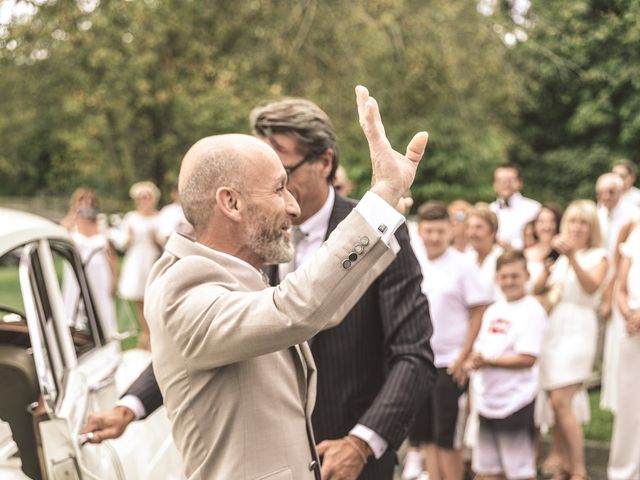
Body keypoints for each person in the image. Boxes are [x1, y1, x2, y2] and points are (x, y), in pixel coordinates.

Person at [84, 94, 435, 480]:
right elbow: (295, 310)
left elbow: (406, 350)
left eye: (287, 180)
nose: (293, 208)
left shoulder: (246, 260)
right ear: (231, 203)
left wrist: (361, 441)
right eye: (276, 188)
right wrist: (383, 195)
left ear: (325, 162)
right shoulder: (183, 287)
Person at [403, 202, 489, 480]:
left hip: (449, 363)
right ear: (421, 231)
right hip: (419, 362)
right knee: (425, 436)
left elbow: (479, 311)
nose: (434, 237)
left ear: (451, 231)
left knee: (447, 438)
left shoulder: (462, 265)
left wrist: (464, 356)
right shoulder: (413, 260)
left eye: (440, 231)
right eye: (429, 231)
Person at [534, 199, 608, 480]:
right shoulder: (560, 257)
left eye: (583, 222)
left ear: (592, 227)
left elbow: (591, 287)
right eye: (573, 221)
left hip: (579, 329)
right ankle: (563, 460)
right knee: (555, 400)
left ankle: (579, 468)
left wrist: (574, 257)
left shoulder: (598, 255)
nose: (576, 227)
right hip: (554, 329)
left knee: (561, 400)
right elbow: (542, 290)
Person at [464, 250, 547, 480]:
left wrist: (489, 362)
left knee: (519, 472)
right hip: (488, 400)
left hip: (516, 402)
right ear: (497, 278)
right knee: (487, 471)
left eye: (515, 276)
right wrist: (474, 360)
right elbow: (481, 348)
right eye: (504, 276)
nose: (509, 281)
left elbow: (528, 358)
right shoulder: (493, 310)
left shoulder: (532, 311)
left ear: (526, 276)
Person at [596, 172, 640, 413]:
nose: (605, 197)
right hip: (616, 288)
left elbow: (618, 258)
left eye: (610, 192)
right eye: (601, 193)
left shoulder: (633, 217)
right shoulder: (599, 214)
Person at [61, 188, 118, 337]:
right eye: (83, 199)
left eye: (91, 200)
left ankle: (106, 337)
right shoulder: (70, 226)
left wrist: (114, 281)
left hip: (100, 275)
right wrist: (74, 215)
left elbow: (111, 256)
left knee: (102, 309)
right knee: (75, 309)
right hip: (76, 276)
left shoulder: (102, 225)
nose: (87, 203)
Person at [608, 221, 640, 479]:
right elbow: (621, 286)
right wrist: (629, 314)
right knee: (630, 407)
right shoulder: (636, 231)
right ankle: (624, 472)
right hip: (632, 330)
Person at [117, 180, 162, 350]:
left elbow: (164, 242)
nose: (145, 201)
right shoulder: (131, 217)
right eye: (142, 197)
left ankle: (150, 335)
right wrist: (128, 237)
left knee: (152, 298)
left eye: (147, 197)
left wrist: (155, 240)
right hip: (136, 260)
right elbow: (122, 243)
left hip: (153, 259)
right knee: (139, 299)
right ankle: (146, 334)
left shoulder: (159, 217)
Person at [489, 164, 541, 250]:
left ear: (520, 182)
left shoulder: (534, 208)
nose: (505, 184)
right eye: (500, 180)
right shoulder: (490, 210)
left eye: (510, 180)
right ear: (494, 184)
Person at [467, 204, 503, 302]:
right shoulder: (465, 258)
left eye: (479, 227)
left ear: (492, 232)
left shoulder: (502, 259)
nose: (472, 233)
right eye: (470, 227)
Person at [524, 203, 563, 295]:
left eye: (552, 221)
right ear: (535, 226)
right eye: (541, 222)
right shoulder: (525, 253)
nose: (546, 227)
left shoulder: (563, 253)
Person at [157, 180, 193, 245]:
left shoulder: (195, 209)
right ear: (173, 193)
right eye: (178, 191)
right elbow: (165, 234)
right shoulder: (167, 211)